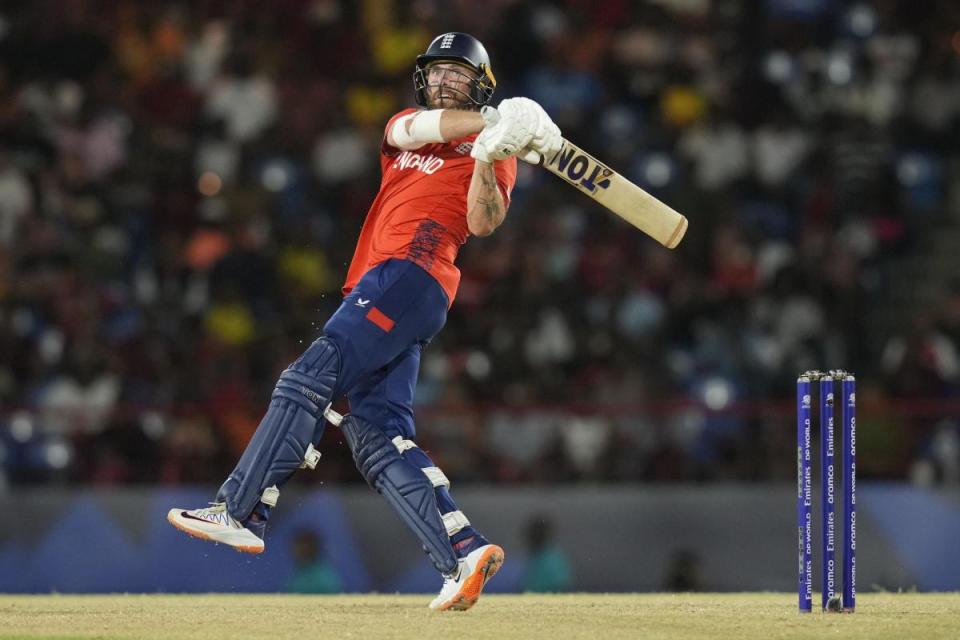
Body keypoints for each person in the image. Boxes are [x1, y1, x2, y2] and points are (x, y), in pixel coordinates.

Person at [167, 32, 561, 611]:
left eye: (459, 72)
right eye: (438, 71)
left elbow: (482, 223)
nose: (445, 80)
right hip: (396, 289)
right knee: (377, 437)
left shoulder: (496, 150)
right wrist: (491, 121)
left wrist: (488, 153)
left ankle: (241, 508)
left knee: (307, 377)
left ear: (479, 81)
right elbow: (419, 130)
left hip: (410, 274)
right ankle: (462, 551)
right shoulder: (406, 125)